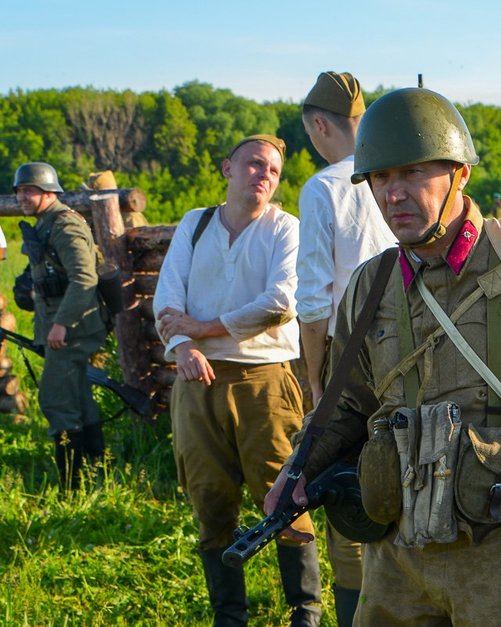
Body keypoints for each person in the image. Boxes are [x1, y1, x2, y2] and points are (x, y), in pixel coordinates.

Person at [265, 87, 501, 625]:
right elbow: (346, 403)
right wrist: (297, 469)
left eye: (412, 174)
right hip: (398, 552)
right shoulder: (369, 285)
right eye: (380, 178)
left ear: (460, 174)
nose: (393, 194)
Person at [153, 135, 321, 626]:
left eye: (272, 170)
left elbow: (280, 302)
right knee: (208, 497)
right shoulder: (196, 222)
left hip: (263, 382)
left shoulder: (285, 229)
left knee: (285, 494)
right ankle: (229, 616)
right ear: (228, 168)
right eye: (253, 164)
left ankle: (304, 612)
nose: (263, 176)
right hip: (196, 383)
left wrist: (203, 329)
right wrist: (182, 348)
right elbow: (167, 297)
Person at [295, 70, 396, 626]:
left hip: (347, 351)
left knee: (345, 492)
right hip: (412, 345)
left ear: (318, 124)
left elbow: (313, 299)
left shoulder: (326, 186)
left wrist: (316, 380)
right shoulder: (401, 174)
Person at [13, 162, 108, 489]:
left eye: (30, 190)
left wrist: (61, 325)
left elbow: (84, 278)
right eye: (19, 191)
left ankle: (72, 487)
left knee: (56, 400)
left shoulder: (64, 225)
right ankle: (96, 475)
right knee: (79, 399)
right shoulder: (46, 223)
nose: (22, 197)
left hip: (72, 329)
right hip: (63, 327)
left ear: (49, 192)